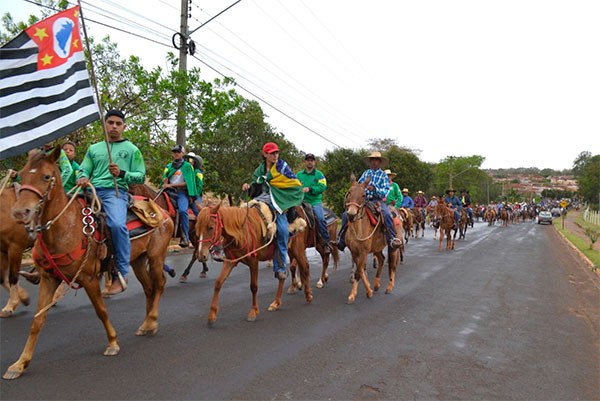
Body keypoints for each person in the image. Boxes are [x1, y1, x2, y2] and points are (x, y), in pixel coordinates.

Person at [77, 109, 146, 295]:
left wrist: (122, 173)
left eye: (118, 123)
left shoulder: (132, 150)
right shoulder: (94, 149)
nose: (114, 126)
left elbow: (140, 176)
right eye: (110, 123)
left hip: (115, 192)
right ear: (105, 125)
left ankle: (121, 273)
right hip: (91, 191)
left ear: (124, 126)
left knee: (116, 224)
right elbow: (84, 169)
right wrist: (82, 177)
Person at [241, 142, 303, 280]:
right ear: (265, 154)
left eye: (276, 153)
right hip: (262, 199)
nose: (275, 155)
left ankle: (280, 267)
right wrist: (248, 187)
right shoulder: (259, 170)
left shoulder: (282, 166)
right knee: (242, 214)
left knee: (282, 230)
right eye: (272, 153)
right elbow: (256, 186)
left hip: (279, 201)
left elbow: (292, 181)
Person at [337, 151, 402, 251]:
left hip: (377, 200)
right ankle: (341, 240)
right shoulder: (366, 173)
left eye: (376, 160)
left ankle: (392, 239)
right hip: (364, 199)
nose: (374, 162)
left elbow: (385, 191)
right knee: (346, 214)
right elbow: (358, 186)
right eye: (372, 160)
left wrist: (375, 188)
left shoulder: (383, 175)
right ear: (370, 161)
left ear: (379, 162)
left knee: (386, 214)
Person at [161, 144, 200, 248]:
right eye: (174, 152)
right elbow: (165, 177)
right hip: (169, 191)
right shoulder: (169, 166)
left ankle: (185, 237)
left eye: (178, 152)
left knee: (183, 211)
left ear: (183, 153)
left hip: (181, 193)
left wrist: (171, 184)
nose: (176, 154)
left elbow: (188, 183)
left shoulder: (187, 166)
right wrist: (165, 181)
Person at [296, 153, 331, 254]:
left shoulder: (319, 175)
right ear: (305, 162)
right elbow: (293, 186)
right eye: (308, 160)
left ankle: (326, 242)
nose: (309, 162)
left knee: (320, 219)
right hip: (301, 201)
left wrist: (310, 189)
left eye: (311, 160)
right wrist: (298, 187)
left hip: (314, 202)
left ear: (314, 162)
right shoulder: (298, 175)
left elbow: (322, 187)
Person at [185, 152, 204, 216]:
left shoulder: (198, 173)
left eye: (191, 160)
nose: (188, 162)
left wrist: (193, 196)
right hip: (183, 193)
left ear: (194, 162)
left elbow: (199, 186)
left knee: (198, 210)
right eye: (187, 160)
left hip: (195, 195)